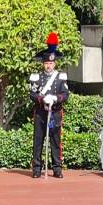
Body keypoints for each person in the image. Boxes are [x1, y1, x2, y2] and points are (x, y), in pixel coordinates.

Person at [29, 33, 70, 178]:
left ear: (55, 64)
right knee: (38, 140)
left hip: (55, 112)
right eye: (46, 63)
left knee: (55, 141)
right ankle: (37, 169)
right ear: (43, 64)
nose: (48, 66)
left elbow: (66, 94)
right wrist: (42, 99)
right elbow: (32, 95)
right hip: (41, 112)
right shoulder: (36, 77)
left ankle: (57, 169)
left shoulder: (60, 77)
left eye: (51, 63)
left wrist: (55, 98)